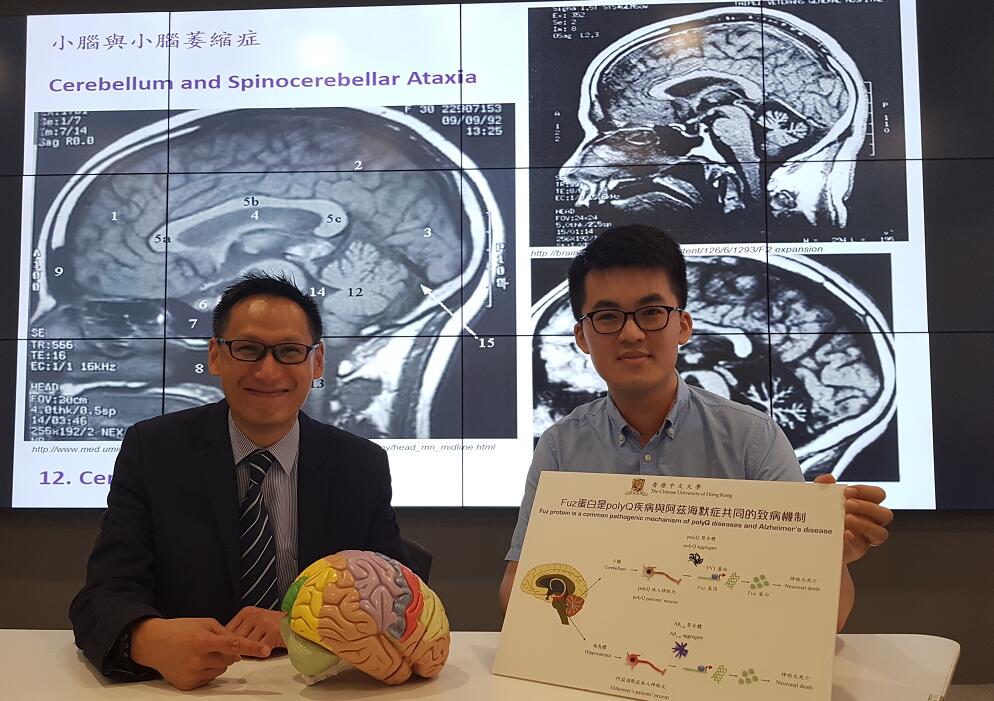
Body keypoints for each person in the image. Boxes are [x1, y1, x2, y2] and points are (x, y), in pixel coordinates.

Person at [499, 225, 893, 631]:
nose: (631, 333)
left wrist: (828, 556)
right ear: (582, 337)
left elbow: (823, 618)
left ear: (684, 326)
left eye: (652, 313)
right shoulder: (560, 445)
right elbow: (518, 586)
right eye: (608, 317)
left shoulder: (755, 439)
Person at [70, 272, 411, 690]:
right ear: (216, 356)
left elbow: (400, 600)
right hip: (190, 689)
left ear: (317, 361)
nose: (268, 372)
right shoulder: (154, 451)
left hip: (316, 687)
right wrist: (147, 640)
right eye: (248, 349)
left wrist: (296, 624)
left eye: (289, 351)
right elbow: (101, 596)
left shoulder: (360, 465)